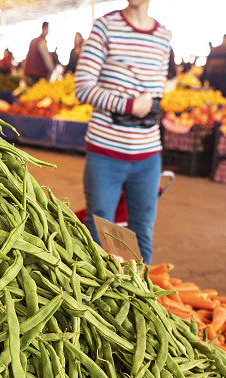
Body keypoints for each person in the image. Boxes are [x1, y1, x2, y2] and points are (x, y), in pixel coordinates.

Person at [75, 0, 171, 264]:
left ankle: (142, 299)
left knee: (143, 234)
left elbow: (157, 91)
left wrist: (150, 107)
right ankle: (98, 299)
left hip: (148, 155)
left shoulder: (164, 36)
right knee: (99, 234)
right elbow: (82, 87)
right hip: (106, 153)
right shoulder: (105, 27)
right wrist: (129, 105)